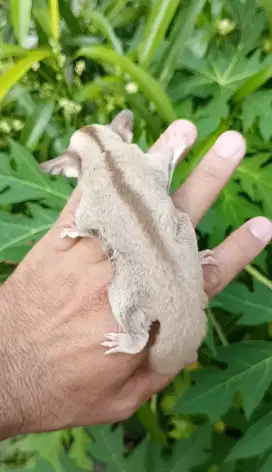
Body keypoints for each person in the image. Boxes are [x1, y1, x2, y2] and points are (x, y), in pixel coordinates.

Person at [0, 120, 271, 441]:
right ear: (124, 136)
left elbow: (87, 221)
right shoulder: (145, 163)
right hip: (170, 258)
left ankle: (136, 335)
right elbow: (163, 163)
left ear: (71, 168)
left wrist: (14, 384)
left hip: (143, 282)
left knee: (124, 295)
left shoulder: (91, 197)